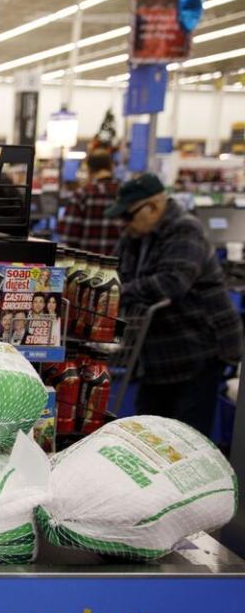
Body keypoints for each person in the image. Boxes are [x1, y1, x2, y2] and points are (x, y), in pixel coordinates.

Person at [107, 173, 243, 434]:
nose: (124, 224)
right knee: (151, 430)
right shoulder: (134, 237)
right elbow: (114, 273)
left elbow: (172, 283)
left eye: (128, 216)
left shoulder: (185, 229)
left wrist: (120, 291)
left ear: (154, 207)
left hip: (198, 348)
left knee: (187, 433)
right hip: (157, 354)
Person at [57, 150, 124, 255]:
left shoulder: (82, 194)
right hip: (119, 265)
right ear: (111, 167)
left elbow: (68, 236)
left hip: (88, 265)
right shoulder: (124, 192)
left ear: (89, 169)